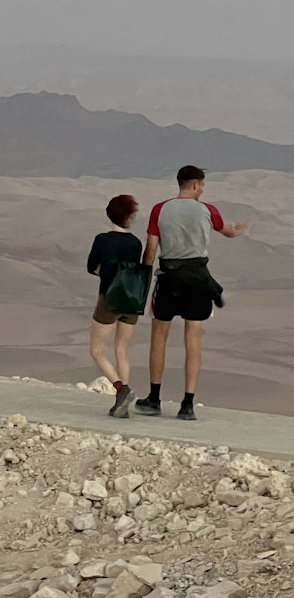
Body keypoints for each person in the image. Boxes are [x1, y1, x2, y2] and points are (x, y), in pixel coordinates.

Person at [135, 165, 246, 421]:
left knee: (159, 336)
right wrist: (237, 230)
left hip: (169, 281)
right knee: (193, 341)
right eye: (203, 185)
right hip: (197, 282)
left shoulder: (160, 209)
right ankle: (188, 404)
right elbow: (226, 231)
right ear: (196, 184)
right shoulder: (208, 210)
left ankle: (154, 398)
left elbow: (150, 249)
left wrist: (142, 278)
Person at [86, 194, 143, 418]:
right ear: (129, 216)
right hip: (131, 300)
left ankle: (121, 389)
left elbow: (92, 266)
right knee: (121, 350)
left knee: (97, 350)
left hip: (109, 299)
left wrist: (105, 273)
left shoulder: (102, 239)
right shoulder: (135, 243)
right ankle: (123, 403)